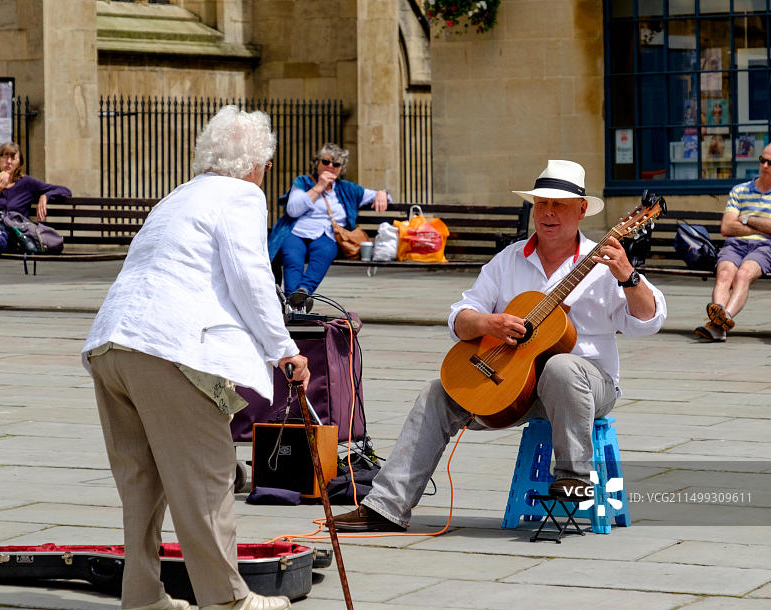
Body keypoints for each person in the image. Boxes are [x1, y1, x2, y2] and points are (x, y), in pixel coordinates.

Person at [332, 159, 667, 532]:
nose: (548, 213)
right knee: (436, 394)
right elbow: (459, 315)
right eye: (542, 204)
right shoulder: (508, 260)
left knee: (561, 367)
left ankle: (575, 478)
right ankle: (385, 507)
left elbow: (648, 322)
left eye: (559, 205)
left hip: (588, 387)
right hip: (515, 386)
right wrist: (487, 322)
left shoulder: (606, 263)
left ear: (582, 210)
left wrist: (628, 275)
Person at [81, 106, 310, 610]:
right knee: (207, 476)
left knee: (140, 479)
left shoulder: (178, 195)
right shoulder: (241, 195)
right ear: (257, 165)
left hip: (112, 341)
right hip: (172, 346)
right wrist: (284, 348)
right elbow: (250, 276)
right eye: (267, 165)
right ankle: (225, 600)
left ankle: (141, 595)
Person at [267, 142, 390, 310]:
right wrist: (319, 187)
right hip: (297, 231)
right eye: (325, 162)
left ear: (341, 169)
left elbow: (378, 195)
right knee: (292, 258)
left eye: (336, 164)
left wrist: (383, 192)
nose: (330, 167)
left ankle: (302, 293)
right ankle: (295, 303)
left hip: (326, 235)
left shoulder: (347, 188)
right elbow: (293, 210)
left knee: (324, 253)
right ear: (317, 163)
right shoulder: (302, 182)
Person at [0, 141, 71, 314]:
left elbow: (64, 190)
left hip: (8, 236)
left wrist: (45, 196)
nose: (8, 162)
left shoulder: (26, 184)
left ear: (19, 162)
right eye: (5, 157)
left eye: (13, 157)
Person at [695, 143, 771, 342]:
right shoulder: (740, 190)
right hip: (735, 244)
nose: (764, 166)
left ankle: (720, 322)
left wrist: (746, 218)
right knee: (725, 273)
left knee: (743, 274)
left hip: (765, 247)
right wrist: (763, 226)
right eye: (762, 160)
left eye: (770, 163)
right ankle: (720, 325)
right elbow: (727, 227)